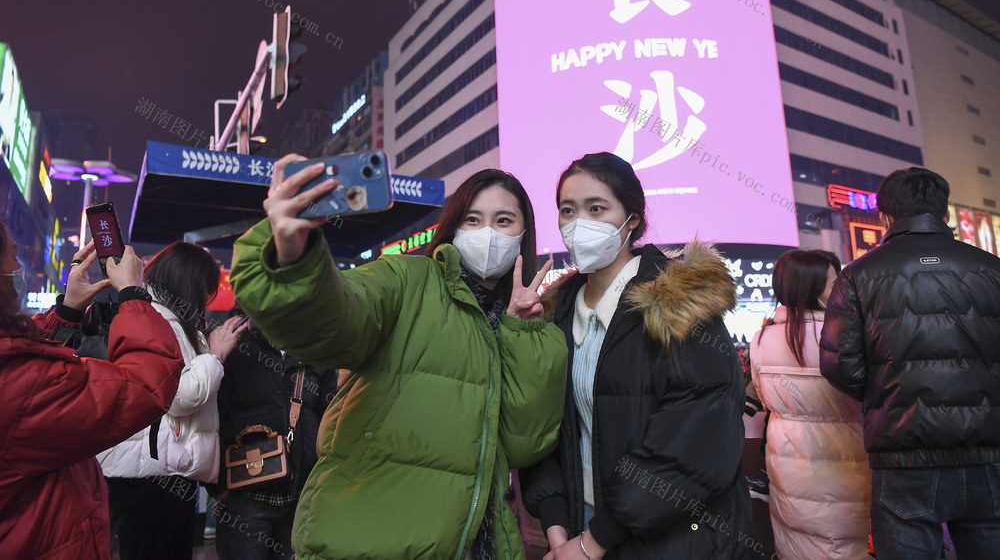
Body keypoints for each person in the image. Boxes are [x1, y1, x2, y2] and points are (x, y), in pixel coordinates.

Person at [230, 157, 569, 559]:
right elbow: (335, 321)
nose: (488, 234)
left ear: (524, 234)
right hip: (367, 541)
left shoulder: (532, 328)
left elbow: (522, 444)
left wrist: (522, 334)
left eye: (504, 221)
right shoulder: (406, 280)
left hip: (480, 544)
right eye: (473, 220)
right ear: (453, 227)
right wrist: (294, 259)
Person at [521, 152, 755, 559]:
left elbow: (696, 448)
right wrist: (560, 533)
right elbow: (543, 433)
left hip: (678, 539)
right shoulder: (555, 314)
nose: (580, 224)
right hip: (581, 528)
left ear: (632, 220)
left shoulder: (680, 306)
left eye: (597, 208)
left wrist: (595, 542)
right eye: (568, 210)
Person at [820, 167, 1000, 559]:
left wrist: (888, 392)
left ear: (885, 216)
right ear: (945, 213)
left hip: (902, 455)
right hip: (989, 452)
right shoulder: (993, 270)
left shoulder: (857, 276)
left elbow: (838, 365)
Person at [0, 226, 184, 559]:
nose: (19, 267)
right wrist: (132, 294)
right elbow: (145, 385)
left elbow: (27, 356)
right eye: (13, 255)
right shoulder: (16, 381)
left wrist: (67, 312)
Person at [97, 242, 246, 559]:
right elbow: (178, 395)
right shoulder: (160, 322)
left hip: (160, 470)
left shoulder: (165, 320)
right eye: (205, 288)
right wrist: (216, 355)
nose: (207, 298)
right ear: (190, 284)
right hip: (151, 477)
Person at [750, 249, 870, 558]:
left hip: (786, 465)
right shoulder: (844, 339)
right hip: (847, 465)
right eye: (835, 284)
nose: (841, 290)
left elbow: (765, 399)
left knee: (797, 543)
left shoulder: (762, 339)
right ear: (812, 290)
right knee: (845, 545)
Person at [210, 308, 339, 559]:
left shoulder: (316, 351)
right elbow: (214, 416)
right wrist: (218, 490)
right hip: (243, 499)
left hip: (299, 500)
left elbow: (330, 418)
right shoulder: (235, 342)